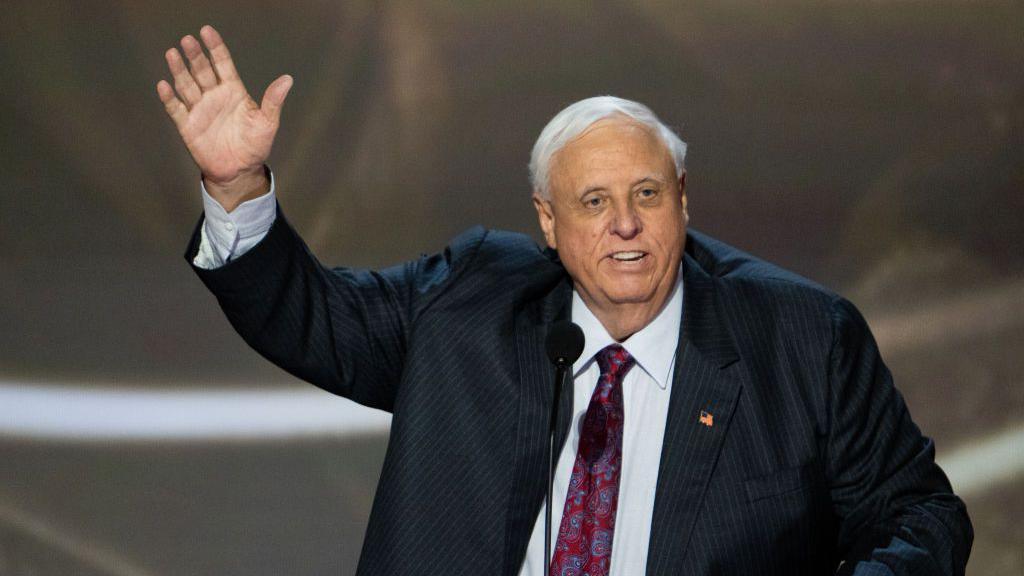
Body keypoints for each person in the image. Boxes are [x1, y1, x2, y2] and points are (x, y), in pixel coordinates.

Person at [157, 25, 973, 575]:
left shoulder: (802, 339)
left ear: (684, 199)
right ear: (547, 221)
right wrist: (238, 186)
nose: (624, 225)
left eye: (647, 194)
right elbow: (312, 319)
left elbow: (922, 518)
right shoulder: (471, 300)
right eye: (592, 203)